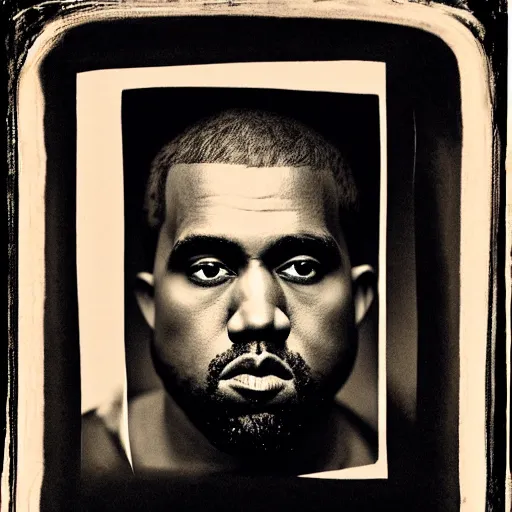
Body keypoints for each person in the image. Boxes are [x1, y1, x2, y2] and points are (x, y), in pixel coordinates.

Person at [82, 108, 378, 477]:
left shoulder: (424, 476)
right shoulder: (60, 470)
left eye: (302, 267)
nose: (258, 318)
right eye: (208, 270)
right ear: (150, 302)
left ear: (359, 299)